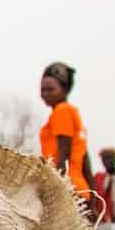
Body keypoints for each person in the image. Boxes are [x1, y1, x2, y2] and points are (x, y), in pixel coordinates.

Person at [37, 62, 91, 205]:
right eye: (42, 90)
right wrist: (93, 196)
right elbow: (85, 159)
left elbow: (63, 154)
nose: (45, 94)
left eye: (50, 89)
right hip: (80, 189)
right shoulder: (72, 112)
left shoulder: (62, 112)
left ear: (65, 89)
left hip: (66, 188)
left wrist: (57, 190)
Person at [92, 147, 115, 225]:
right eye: (105, 159)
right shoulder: (98, 177)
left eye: (110, 158)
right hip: (104, 218)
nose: (108, 162)